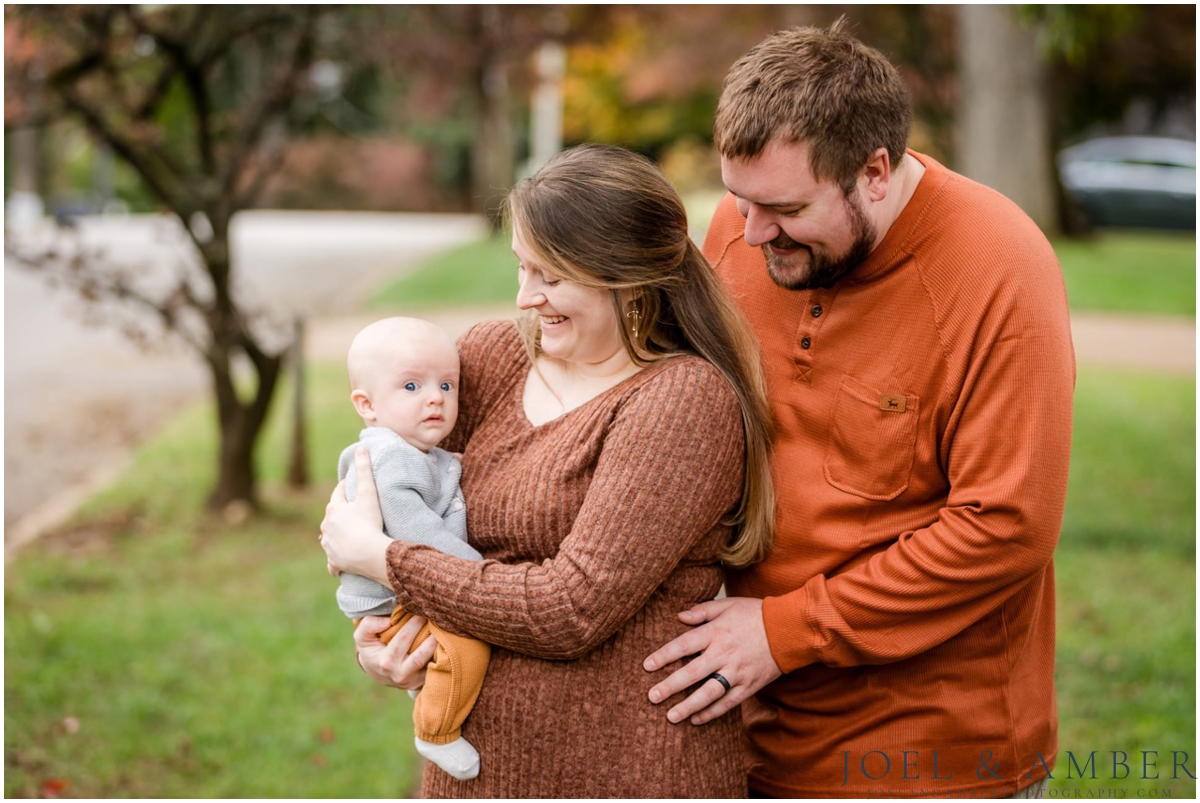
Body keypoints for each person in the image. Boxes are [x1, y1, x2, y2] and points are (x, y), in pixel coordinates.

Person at [643, 19, 1075, 799]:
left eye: (784, 207)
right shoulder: (743, 230)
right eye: (738, 198)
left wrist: (783, 632)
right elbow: (661, 415)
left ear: (874, 171)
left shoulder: (999, 268)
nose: (751, 232)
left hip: (926, 757)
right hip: (744, 733)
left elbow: (1006, 524)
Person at [319, 143, 777, 797]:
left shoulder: (682, 400)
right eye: (521, 267)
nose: (525, 296)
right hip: (474, 771)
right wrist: (375, 641)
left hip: (626, 770)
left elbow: (571, 609)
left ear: (629, 278)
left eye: (551, 277)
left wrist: (386, 561)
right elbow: (379, 489)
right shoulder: (489, 358)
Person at [335, 316, 490, 781]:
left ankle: (432, 685)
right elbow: (417, 532)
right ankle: (435, 731)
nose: (435, 398)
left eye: (447, 385)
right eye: (411, 386)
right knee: (467, 651)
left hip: (406, 591)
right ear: (367, 405)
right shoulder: (390, 458)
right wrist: (477, 572)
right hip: (393, 601)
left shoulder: (416, 451)